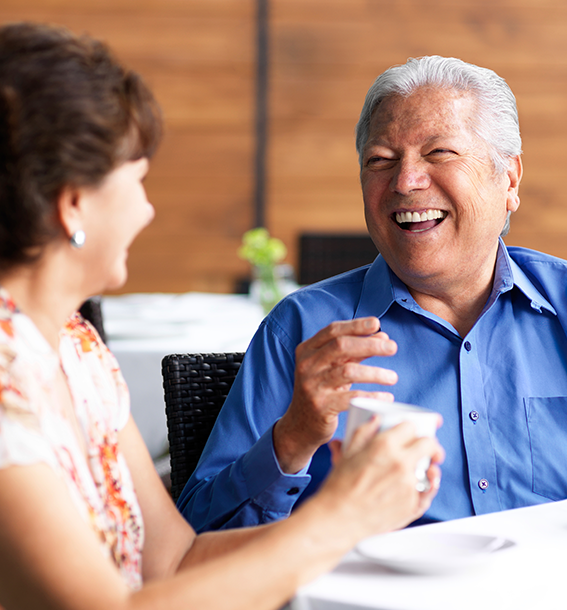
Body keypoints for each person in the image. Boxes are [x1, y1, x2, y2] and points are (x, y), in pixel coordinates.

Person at [0, 23, 443, 610]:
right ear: (72, 204)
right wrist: (339, 516)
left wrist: (363, 524)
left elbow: (171, 561)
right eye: (137, 180)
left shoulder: (73, 346)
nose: (147, 208)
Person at [179, 54, 567, 533]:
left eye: (439, 153)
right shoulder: (303, 329)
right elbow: (196, 540)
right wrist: (292, 438)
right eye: (380, 161)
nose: (405, 182)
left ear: (508, 178)